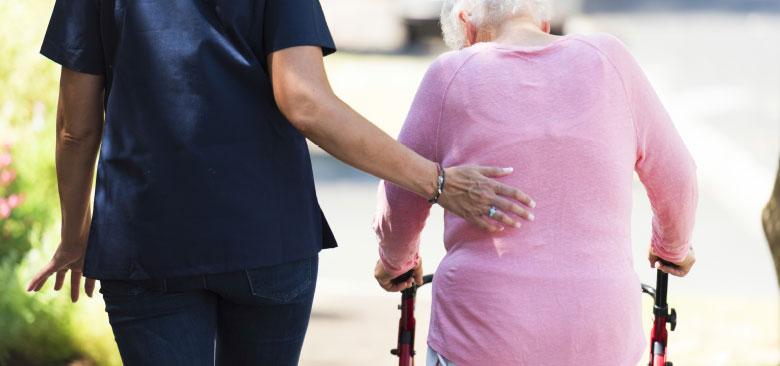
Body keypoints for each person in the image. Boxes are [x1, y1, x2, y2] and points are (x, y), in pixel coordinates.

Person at [25, 0, 537, 365]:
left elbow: (77, 125)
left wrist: (75, 236)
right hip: (266, 240)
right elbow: (306, 101)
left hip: (146, 243)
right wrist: (440, 183)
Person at [372, 0, 698, 365]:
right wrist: (672, 249)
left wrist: (396, 261)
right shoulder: (611, 60)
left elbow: (400, 192)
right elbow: (678, 175)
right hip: (600, 333)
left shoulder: (451, 73)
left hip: (482, 335)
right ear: (543, 21)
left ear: (466, 25)